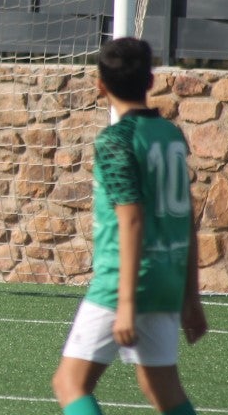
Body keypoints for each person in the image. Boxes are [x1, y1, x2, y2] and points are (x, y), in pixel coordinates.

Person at [52, 37, 207, 414]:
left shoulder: (116, 141)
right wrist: (191, 296)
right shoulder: (171, 136)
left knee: (70, 383)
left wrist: (125, 304)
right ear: (151, 81)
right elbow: (186, 220)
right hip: (167, 279)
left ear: (100, 85)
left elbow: (132, 219)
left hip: (125, 281)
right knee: (162, 389)